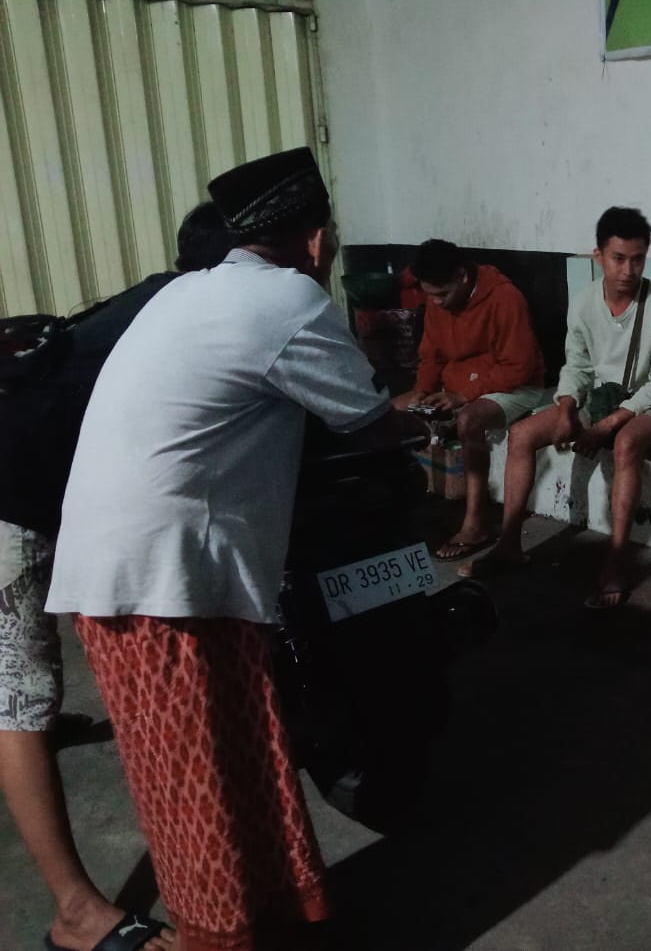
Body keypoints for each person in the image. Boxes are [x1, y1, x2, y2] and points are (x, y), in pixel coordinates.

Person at [44, 147, 405, 951]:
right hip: (155, 583)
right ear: (316, 239)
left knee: (245, 751)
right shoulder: (289, 299)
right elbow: (371, 421)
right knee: (195, 780)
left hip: (154, 571)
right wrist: (434, 422)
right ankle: (214, 936)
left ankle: (267, 916)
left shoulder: (192, 290)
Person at [0, 203, 230, 951]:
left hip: (50, 480)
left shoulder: (172, 295)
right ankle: (74, 913)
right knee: (21, 695)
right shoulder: (195, 318)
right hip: (9, 489)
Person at [462, 206, 651, 609]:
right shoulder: (583, 302)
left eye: (637, 259)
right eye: (618, 258)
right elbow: (577, 366)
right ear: (598, 256)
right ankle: (508, 543)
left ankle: (617, 559)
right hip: (598, 399)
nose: (628, 270)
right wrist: (566, 409)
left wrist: (608, 425)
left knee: (626, 443)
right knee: (522, 434)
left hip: (649, 406)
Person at [393, 239, 545, 560]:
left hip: (516, 386)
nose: (437, 302)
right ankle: (399, 514)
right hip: (459, 387)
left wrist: (462, 395)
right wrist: (423, 391)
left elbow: (518, 367)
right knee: (389, 411)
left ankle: (476, 523)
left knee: (469, 420)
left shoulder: (505, 297)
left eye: (442, 294)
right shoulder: (436, 302)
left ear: (462, 276)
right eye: (430, 295)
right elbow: (431, 355)